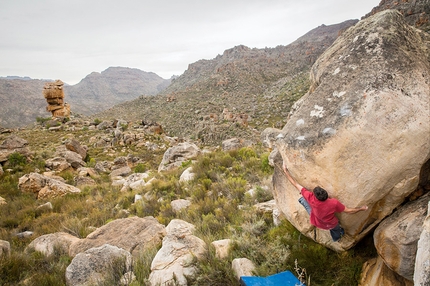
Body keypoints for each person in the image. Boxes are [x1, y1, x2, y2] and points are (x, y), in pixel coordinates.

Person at [282, 163, 368, 242]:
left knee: (305, 201)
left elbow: (295, 184)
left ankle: (302, 200)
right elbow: (349, 211)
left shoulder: (311, 198)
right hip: (331, 224)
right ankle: (337, 238)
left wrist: (285, 171)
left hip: (317, 221)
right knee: (335, 230)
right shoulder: (333, 203)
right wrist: (361, 208)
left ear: (315, 196)